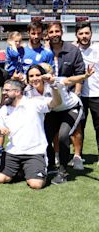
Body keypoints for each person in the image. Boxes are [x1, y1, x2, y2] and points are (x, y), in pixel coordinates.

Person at [24, 64, 92, 184]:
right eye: (31, 76)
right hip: (53, 111)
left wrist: (85, 76)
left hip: (71, 108)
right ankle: (50, 165)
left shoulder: (54, 81)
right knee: (44, 137)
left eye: (38, 75)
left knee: (63, 136)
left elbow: (70, 80)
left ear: (43, 75)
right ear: (28, 78)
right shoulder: (28, 90)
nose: (35, 78)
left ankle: (63, 172)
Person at [0, 79, 62, 189]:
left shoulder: (34, 102)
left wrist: (54, 86)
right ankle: (24, 170)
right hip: (13, 152)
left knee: (36, 184)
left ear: (17, 92)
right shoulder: (4, 109)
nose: (3, 93)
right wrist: (0, 130)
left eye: (7, 90)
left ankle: (32, 170)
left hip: (35, 152)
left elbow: (56, 102)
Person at [47, 21, 86, 170]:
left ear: (61, 32)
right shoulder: (45, 51)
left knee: (75, 129)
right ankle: (57, 156)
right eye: (51, 32)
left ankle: (77, 156)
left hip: (70, 98)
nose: (54, 34)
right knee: (56, 131)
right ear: (48, 34)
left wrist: (77, 93)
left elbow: (79, 73)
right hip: (52, 99)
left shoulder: (72, 50)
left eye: (57, 31)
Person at [75, 21, 99, 163]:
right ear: (77, 35)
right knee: (79, 127)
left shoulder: (97, 48)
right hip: (79, 95)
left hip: (97, 95)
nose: (84, 36)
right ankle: (78, 156)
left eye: (87, 33)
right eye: (81, 33)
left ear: (91, 34)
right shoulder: (73, 50)